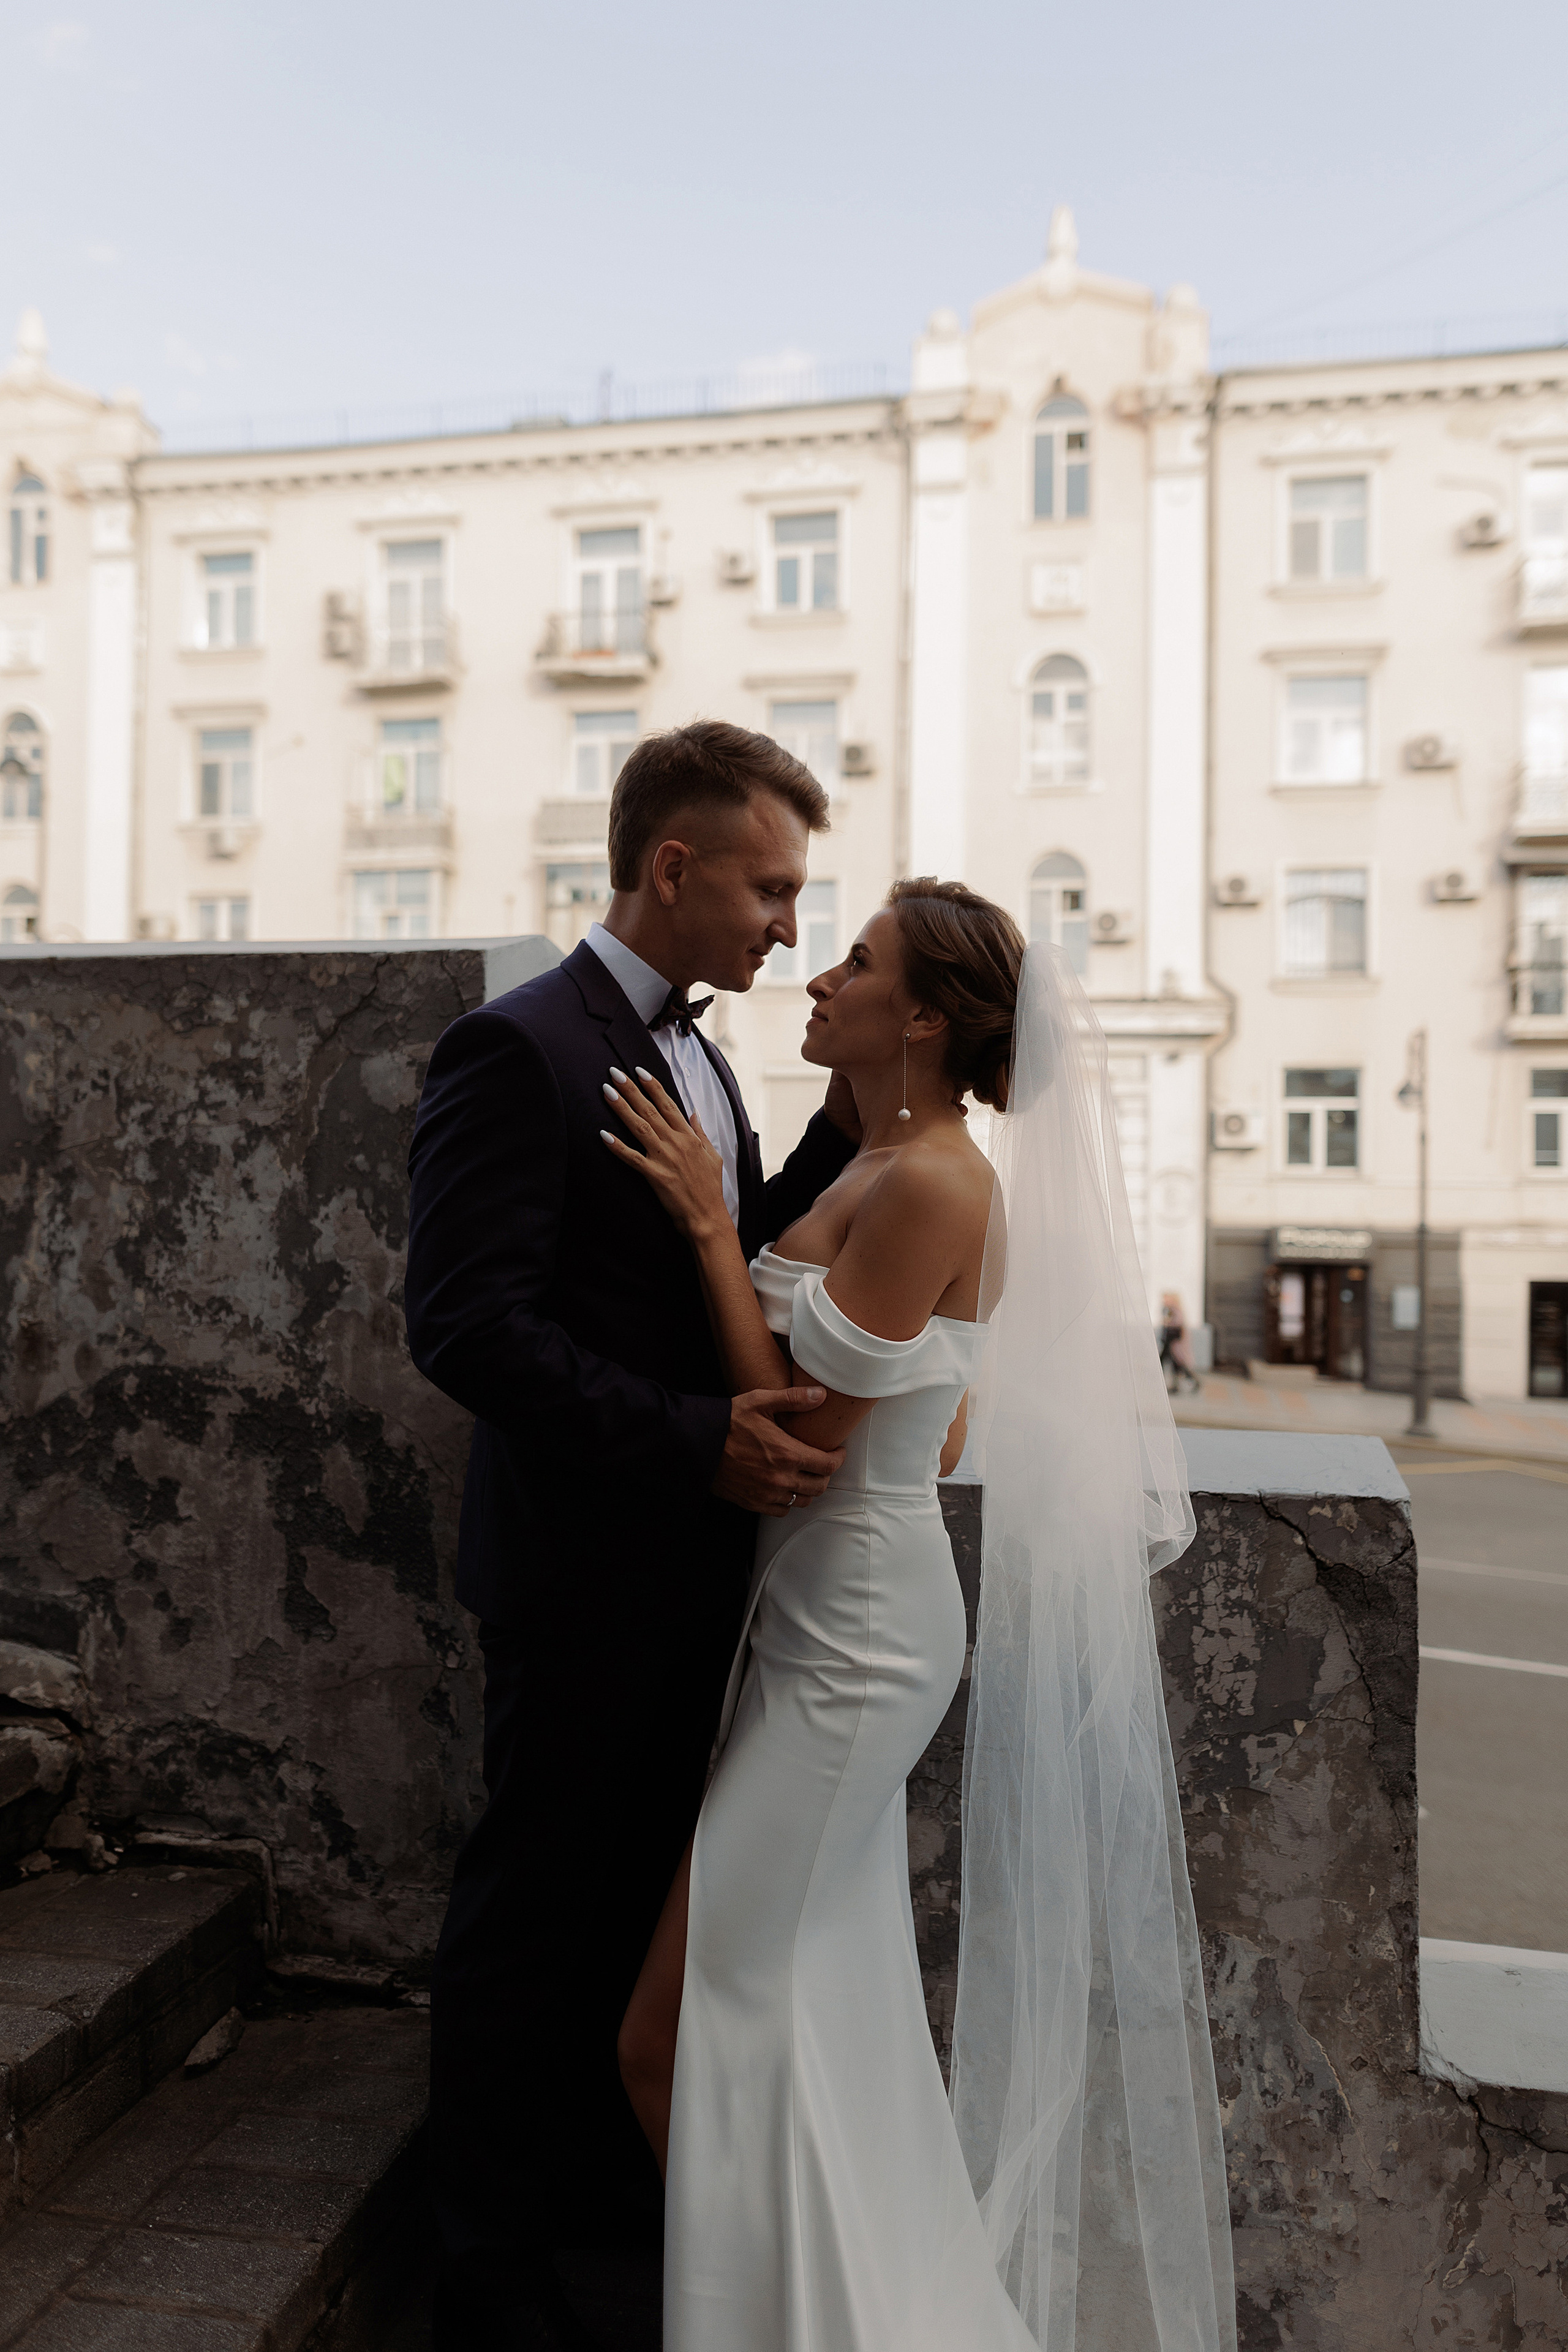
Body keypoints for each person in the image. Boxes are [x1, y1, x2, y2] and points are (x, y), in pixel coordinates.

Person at [609, 880, 1237, 2351]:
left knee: (669, 2036)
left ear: (928, 1018)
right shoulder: (882, 1162)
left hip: (860, 1638)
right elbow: (929, 1415)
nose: (818, 977)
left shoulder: (939, 1180)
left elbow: (807, 1428)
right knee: (799, 2022)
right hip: (817, 1614)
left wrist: (708, 1222)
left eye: (857, 960)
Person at [403, 720, 860, 2348]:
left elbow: (717, 1255)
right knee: (531, 1921)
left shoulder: (704, 1053)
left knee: (624, 1918)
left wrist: (865, 1113)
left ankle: (593, 2221)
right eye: (771, 888)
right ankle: (485, 2272)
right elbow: (466, 1327)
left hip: (690, 1575)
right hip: (585, 1572)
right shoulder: (520, 1048)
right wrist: (692, 1439)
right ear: (674, 867)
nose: (788, 927)